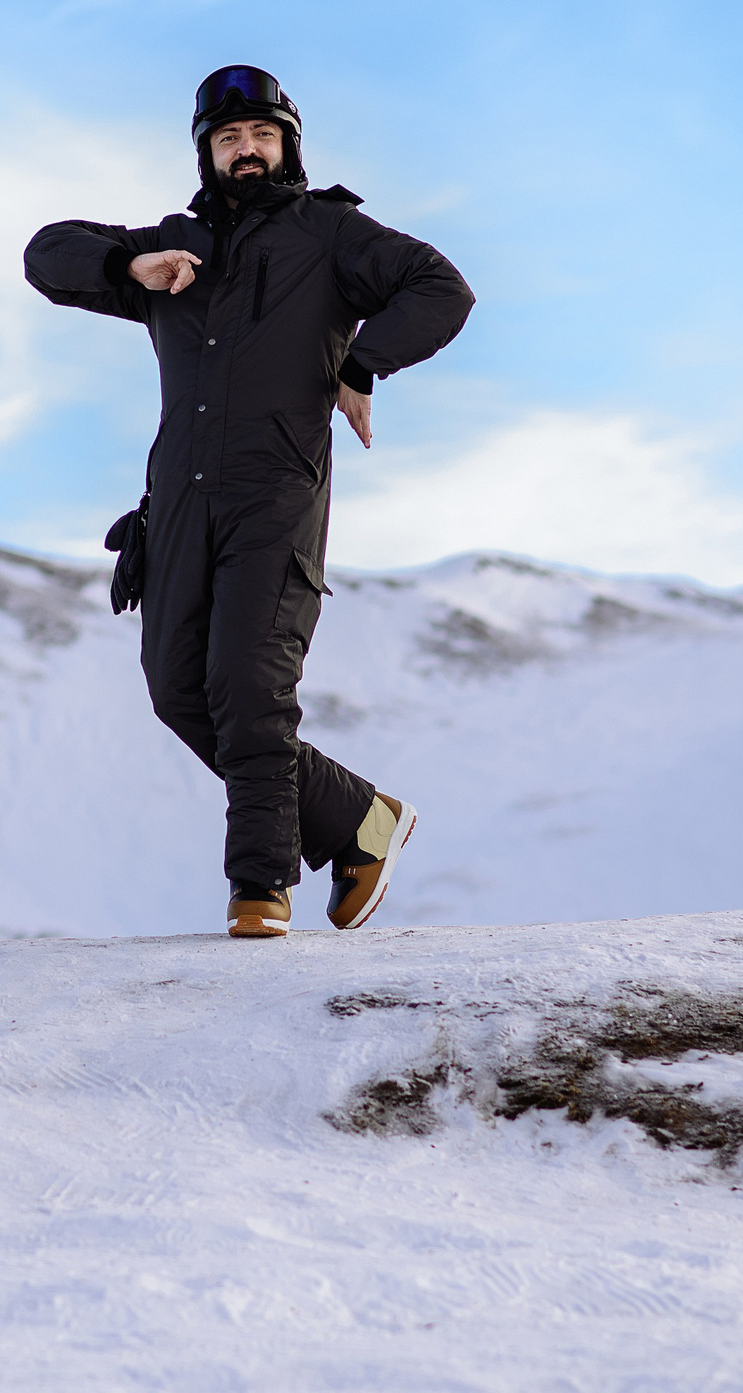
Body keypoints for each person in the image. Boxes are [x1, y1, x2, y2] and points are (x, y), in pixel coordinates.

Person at [24, 65, 475, 938]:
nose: (246, 150)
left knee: (248, 688)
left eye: (262, 135)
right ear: (207, 153)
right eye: (229, 138)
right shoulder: (173, 250)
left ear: (287, 145)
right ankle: (360, 822)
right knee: (178, 689)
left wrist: (359, 361)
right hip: (180, 505)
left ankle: (260, 888)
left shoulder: (329, 234)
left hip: (275, 495)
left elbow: (441, 287)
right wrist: (132, 264)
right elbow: (47, 253)